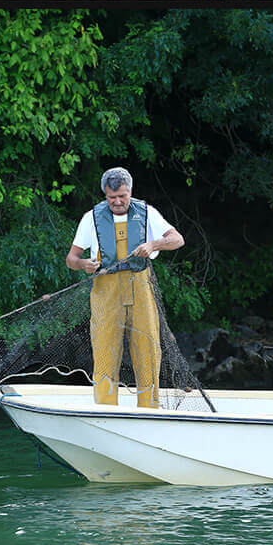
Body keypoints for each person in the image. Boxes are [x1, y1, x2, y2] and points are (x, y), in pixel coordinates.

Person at [65, 167, 184, 407]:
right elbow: (71, 259)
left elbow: (177, 239)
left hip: (141, 284)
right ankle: (105, 406)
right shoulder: (91, 218)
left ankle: (149, 405)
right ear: (105, 194)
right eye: (112, 197)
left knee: (148, 344)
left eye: (122, 196)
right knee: (105, 346)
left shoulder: (148, 213)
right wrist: (83, 264)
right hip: (105, 289)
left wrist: (153, 244)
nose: (118, 202)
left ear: (130, 191)